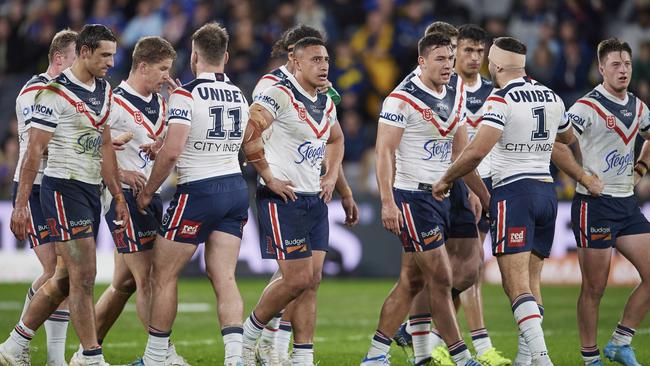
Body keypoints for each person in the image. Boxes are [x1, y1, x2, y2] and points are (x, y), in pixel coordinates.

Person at [431, 36, 603, 366]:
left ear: (495, 66)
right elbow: (566, 141)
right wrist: (580, 174)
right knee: (532, 281)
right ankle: (527, 359)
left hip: (514, 192)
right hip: (546, 192)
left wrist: (446, 178)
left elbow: (476, 152)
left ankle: (541, 357)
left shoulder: (501, 99)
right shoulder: (551, 95)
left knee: (515, 285)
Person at [0, 24, 127, 366]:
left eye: (113, 55)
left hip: (88, 187)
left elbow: (100, 142)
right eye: (105, 55)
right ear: (81, 53)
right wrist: (21, 204)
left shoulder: (103, 89)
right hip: (56, 186)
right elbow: (33, 151)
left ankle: (16, 343)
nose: (112, 62)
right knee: (79, 275)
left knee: (65, 276)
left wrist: (117, 191)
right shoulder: (47, 93)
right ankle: (90, 355)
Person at [361, 32, 489, 366]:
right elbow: (384, 152)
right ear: (422, 61)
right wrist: (387, 202)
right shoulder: (400, 99)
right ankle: (462, 358)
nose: (448, 65)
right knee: (441, 278)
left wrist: (476, 192)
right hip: (413, 198)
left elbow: (461, 152)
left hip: (446, 194)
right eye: (440, 59)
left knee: (415, 280)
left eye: (450, 58)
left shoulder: (456, 90)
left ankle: (375, 355)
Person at [131, 23, 250, 366]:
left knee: (162, 274)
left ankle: (155, 358)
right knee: (224, 276)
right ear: (225, 57)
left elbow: (173, 151)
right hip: (235, 187)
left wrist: (148, 191)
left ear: (194, 55)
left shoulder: (185, 95)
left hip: (198, 190)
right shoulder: (240, 94)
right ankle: (235, 358)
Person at [72, 36, 185, 366]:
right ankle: (162, 354)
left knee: (122, 284)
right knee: (149, 277)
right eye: (162, 69)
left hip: (150, 198)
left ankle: (85, 353)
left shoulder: (161, 104)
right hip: (123, 200)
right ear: (143, 66)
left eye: (170, 70)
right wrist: (121, 175)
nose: (166, 76)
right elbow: (88, 151)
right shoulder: (113, 102)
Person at [252, 24, 360, 365]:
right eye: (316, 58)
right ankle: (257, 340)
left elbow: (327, 141)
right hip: (284, 191)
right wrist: (267, 175)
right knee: (294, 279)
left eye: (326, 58)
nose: (324, 65)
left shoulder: (324, 93)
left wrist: (339, 185)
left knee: (306, 281)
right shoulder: (272, 87)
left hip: (314, 193)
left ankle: (286, 351)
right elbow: (253, 134)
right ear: (295, 58)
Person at [561, 38, 650, 366]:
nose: (623, 69)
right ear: (601, 69)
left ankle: (620, 342)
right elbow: (559, 144)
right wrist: (583, 178)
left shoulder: (638, 107)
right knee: (595, 287)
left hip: (626, 205)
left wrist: (640, 168)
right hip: (593, 205)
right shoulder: (586, 108)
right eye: (615, 64)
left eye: (626, 63)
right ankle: (589, 358)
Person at [9, 28, 77, 366]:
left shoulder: (65, 92)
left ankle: (19, 345)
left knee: (60, 273)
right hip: (34, 187)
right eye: (78, 58)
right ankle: (42, 353)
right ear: (60, 58)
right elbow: (41, 147)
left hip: (57, 187)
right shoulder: (36, 92)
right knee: (57, 272)